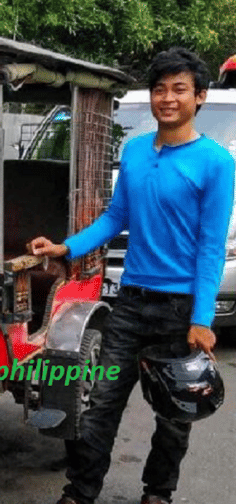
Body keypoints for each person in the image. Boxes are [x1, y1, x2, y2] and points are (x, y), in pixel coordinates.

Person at [28, 48, 235, 504]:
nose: (168, 98)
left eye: (179, 89)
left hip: (178, 310)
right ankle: (79, 493)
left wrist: (201, 319)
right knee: (101, 404)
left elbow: (209, 247)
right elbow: (115, 216)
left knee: (174, 412)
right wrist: (67, 247)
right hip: (130, 302)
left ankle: (158, 493)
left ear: (198, 97)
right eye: (160, 88)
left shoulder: (217, 163)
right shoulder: (135, 150)